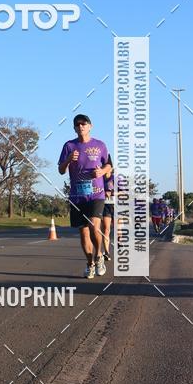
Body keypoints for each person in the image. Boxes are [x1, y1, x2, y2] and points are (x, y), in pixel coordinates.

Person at [58, 115, 112, 279]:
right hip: (77, 196)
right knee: (84, 233)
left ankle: (99, 255)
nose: (80, 126)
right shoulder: (69, 146)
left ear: (90, 126)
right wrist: (68, 160)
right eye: (77, 124)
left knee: (94, 226)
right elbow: (61, 170)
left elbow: (109, 165)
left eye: (84, 123)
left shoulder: (100, 145)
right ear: (74, 128)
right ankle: (90, 264)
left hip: (96, 194)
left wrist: (102, 172)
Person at [102, 157, 114, 261]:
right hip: (105, 205)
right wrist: (103, 193)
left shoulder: (116, 179)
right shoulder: (99, 179)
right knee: (106, 229)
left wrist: (113, 193)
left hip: (116, 206)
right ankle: (107, 252)